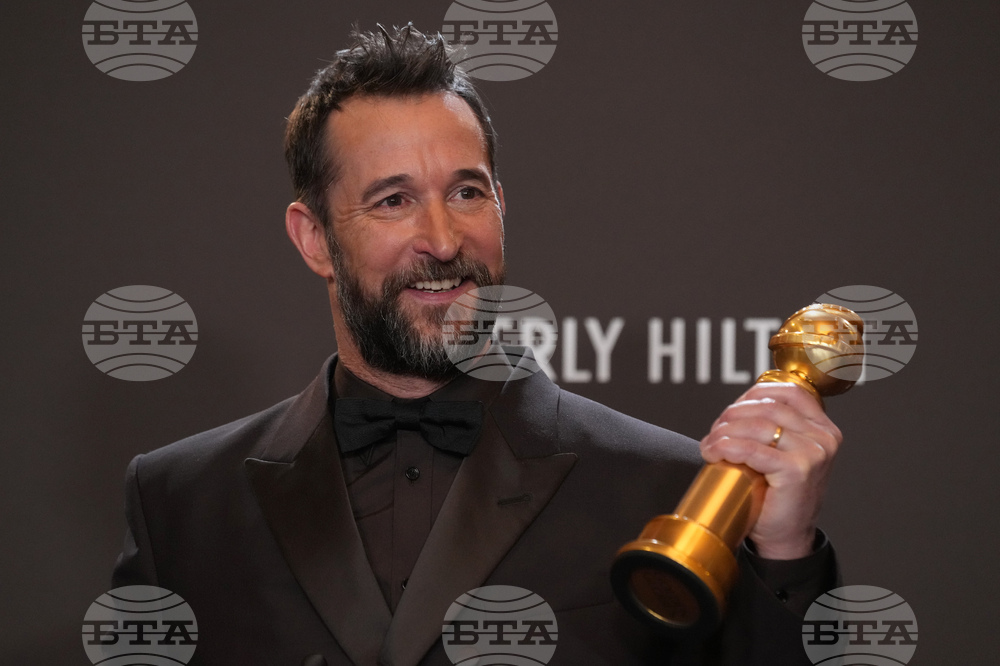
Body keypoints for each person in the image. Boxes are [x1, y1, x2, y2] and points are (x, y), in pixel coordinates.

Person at [112, 24, 841, 665]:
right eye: (393, 200)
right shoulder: (182, 502)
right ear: (315, 240)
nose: (442, 239)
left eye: (467, 192)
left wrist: (785, 556)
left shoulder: (671, 487)